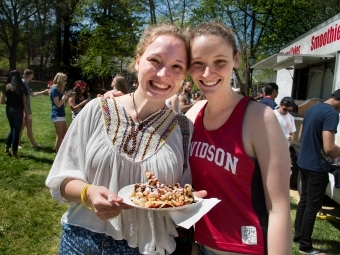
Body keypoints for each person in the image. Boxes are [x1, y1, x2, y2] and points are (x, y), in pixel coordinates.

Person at [45, 24, 197, 255]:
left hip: (146, 248)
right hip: (81, 242)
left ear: (184, 75)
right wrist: (89, 193)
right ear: (138, 61)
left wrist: (187, 201)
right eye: (155, 60)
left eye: (176, 66)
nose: (163, 73)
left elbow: (179, 197)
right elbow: (61, 180)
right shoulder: (97, 110)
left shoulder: (184, 129)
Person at [186, 22, 292, 255]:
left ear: (236, 59)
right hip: (201, 245)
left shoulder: (260, 119)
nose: (207, 73)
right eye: (198, 64)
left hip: (246, 249)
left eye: (219, 62)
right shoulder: (192, 115)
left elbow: (279, 207)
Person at [293, 90, 340, 255]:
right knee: (312, 206)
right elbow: (330, 148)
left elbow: (300, 135)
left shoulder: (313, 108)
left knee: (304, 202)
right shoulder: (332, 114)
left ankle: (298, 236)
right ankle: (305, 246)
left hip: (303, 162)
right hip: (316, 166)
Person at [18, 69, 49, 149]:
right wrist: (25, 110)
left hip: (28, 109)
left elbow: (32, 94)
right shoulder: (22, 84)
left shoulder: (26, 84)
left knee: (29, 127)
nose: (32, 77)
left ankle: (33, 143)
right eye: (32, 75)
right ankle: (18, 144)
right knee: (20, 128)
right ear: (28, 76)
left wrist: (43, 92)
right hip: (23, 109)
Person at [1, 70, 29, 158]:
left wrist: (9, 102)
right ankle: (14, 153)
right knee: (16, 131)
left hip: (9, 110)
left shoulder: (6, 86)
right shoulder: (21, 86)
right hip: (18, 110)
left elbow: (1, 101)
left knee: (13, 129)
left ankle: (6, 147)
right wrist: (26, 113)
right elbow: (24, 102)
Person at [49, 72, 73, 152]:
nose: (66, 82)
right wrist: (65, 95)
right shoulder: (54, 90)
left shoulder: (59, 90)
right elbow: (58, 104)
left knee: (64, 135)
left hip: (61, 114)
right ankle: (57, 153)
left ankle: (62, 152)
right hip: (57, 115)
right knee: (59, 135)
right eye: (64, 80)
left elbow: (63, 104)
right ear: (60, 80)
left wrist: (66, 98)